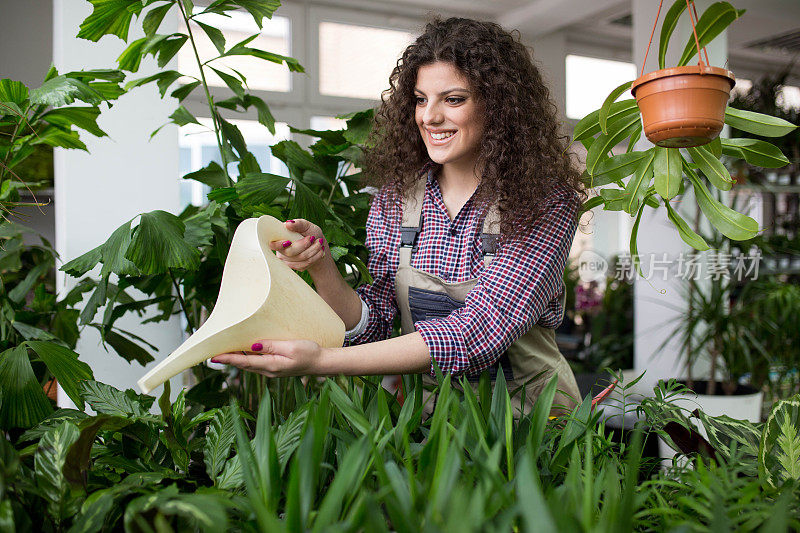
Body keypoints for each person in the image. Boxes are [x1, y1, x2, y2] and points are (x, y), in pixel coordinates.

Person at [211, 16, 586, 417]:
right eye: (421, 99)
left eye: (453, 99)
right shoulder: (397, 200)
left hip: (537, 431)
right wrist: (321, 265)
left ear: (499, 107)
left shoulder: (543, 201)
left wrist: (321, 362)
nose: (430, 117)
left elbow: (480, 332)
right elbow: (371, 324)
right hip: (434, 429)